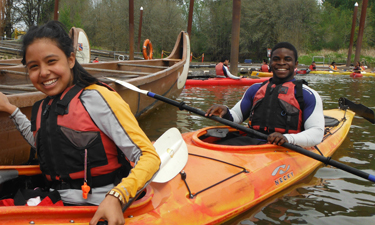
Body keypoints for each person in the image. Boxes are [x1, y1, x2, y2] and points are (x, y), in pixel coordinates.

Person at [0, 21, 160, 225]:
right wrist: (11, 109)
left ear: (71, 59)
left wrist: (117, 196)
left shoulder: (97, 98)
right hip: (56, 203)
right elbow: (45, 146)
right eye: (34, 67)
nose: (43, 73)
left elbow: (149, 157)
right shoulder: (44, 106)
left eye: (51, 61)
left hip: (96, 207)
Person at [206, 42, 324, 148]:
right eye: (276, 59)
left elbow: (316, 133)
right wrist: (225, 111)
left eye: (287, 59)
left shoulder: (307, 94)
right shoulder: (255, 89)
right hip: (252, 142)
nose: (281, 63)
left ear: (295, 63)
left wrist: (288, 138)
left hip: (286, 147)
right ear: (270, 63)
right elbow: (237, 116)